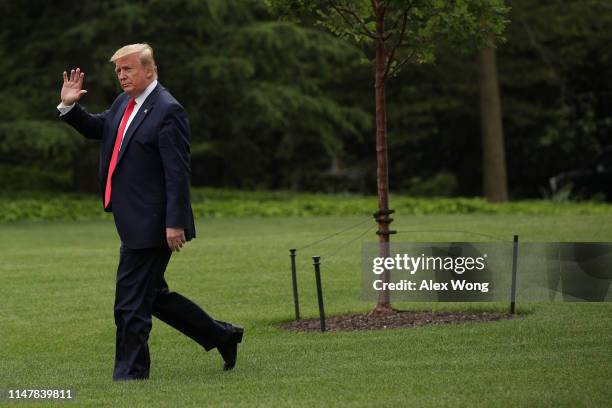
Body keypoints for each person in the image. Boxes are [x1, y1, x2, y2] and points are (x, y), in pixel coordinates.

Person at [57, 43, 243, 381]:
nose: (122, 76)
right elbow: (101, 129)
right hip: (132, 220)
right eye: (118, 71)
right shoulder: (124, 104)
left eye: (128, 69)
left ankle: (131, 374)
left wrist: (174, 223)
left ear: (149, 70)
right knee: (154, 296)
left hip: (155, 225)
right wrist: (70, 108)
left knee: (129, 304)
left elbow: (177, 172)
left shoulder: (168, 110)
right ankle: (222, 335)